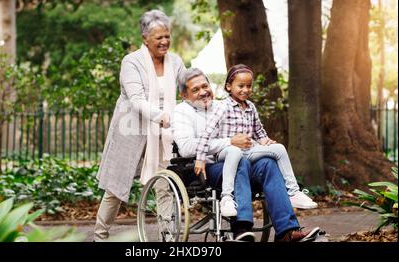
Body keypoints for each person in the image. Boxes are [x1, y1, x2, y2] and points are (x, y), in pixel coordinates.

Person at [172, 68, 320, 242]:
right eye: (195, 90)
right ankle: (242, 230)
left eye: (205, 86)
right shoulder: (181, 111)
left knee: (267, 163)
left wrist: (262, 143)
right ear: (184, 95)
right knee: (239, 161)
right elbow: (187, 147)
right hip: (204, 168)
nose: (203, 92)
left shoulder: (223, 105)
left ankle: (287, 231)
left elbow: (245, 135)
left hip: (238, 160)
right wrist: (229, 142)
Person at [94, 9, 185, 241]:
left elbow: (186, 88)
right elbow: (136, 100)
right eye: (159, 38)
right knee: (115, 187)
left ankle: (168, 236)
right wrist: (161, 115)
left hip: (163, 133)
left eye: (167, 36)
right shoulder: (131, 62)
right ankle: (100, 236)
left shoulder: (175, 61)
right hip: (131, 130)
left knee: (164, 183)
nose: (165, 41)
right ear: (145, 38)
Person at [194, 64, 318, 215]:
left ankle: (293, 192)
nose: (245, 90)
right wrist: (200, 158)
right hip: (226, 153)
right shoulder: (222, 107)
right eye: (241, 86)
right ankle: (227, 198)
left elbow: (258, 130)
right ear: (228, 86)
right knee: (234, 151)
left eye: (249, 86)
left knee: (279, 148)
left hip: (248, 151)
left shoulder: (251, 107)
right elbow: (206, 134)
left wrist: (265, 140)